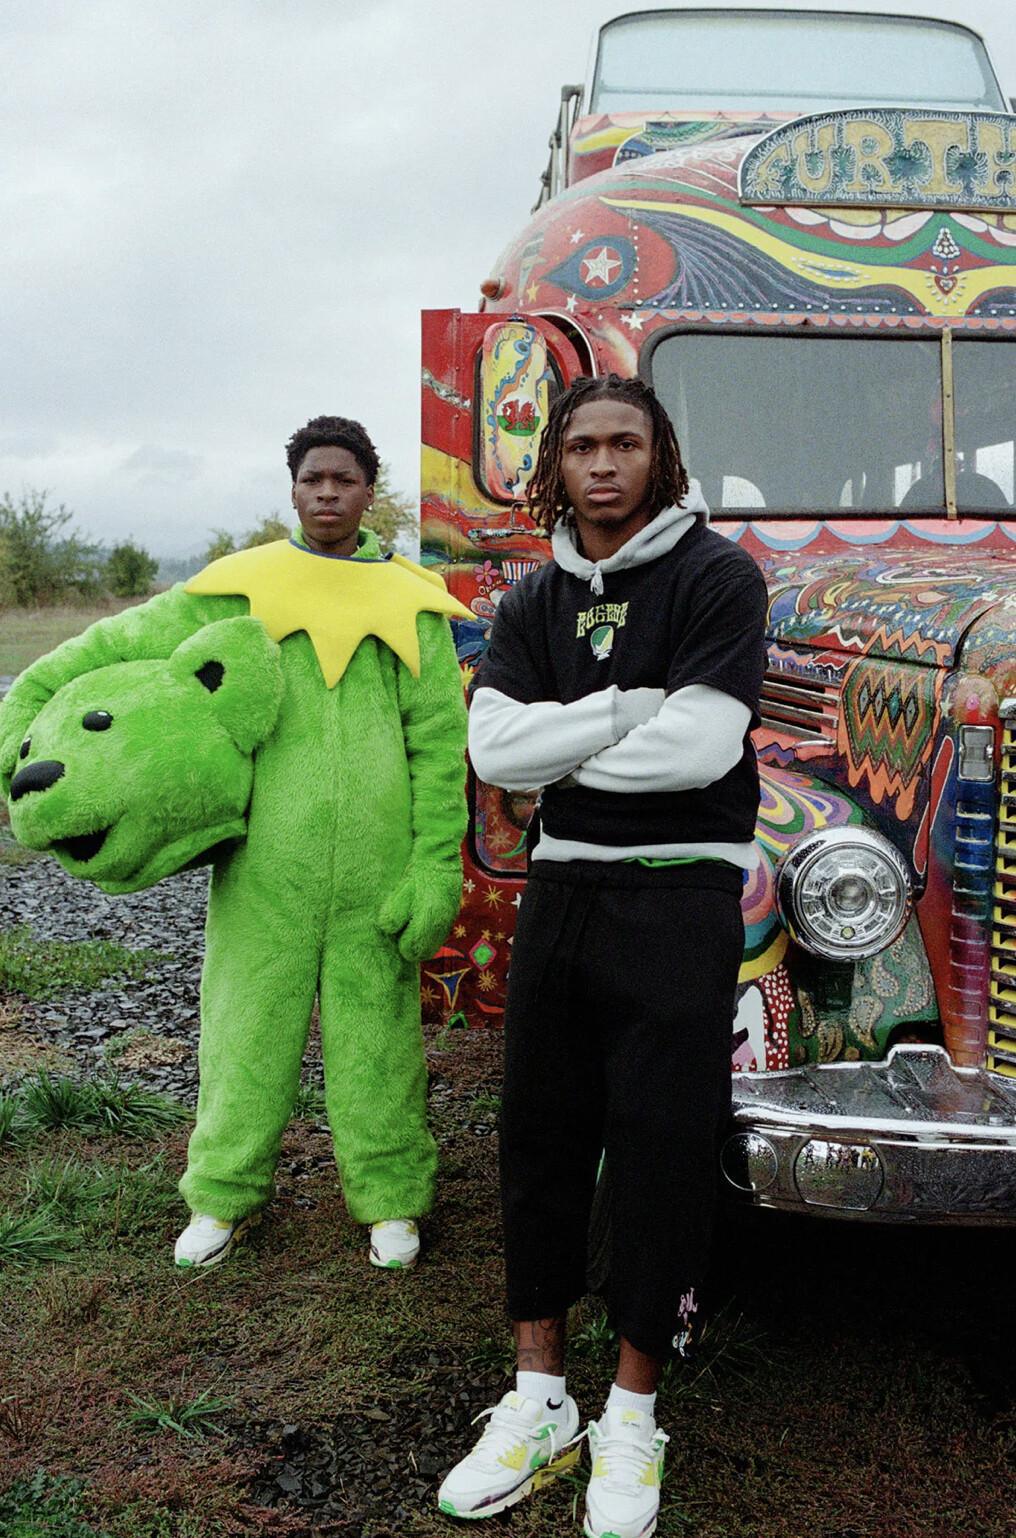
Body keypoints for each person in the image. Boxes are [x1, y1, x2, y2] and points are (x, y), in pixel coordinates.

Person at [0, 416, 469, 1273]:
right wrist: (22, 711)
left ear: (370, 491)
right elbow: (111, 644)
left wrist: (435, 862)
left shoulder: (412, 600)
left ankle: (392, 1197)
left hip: (375, 874)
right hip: (263, 873)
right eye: (312, 479)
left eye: (344, 479)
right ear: (293, 488)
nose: (327, 493)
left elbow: (438, 742)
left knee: (380, 1044)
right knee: (243, 1033)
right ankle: (221, 1193)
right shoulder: (241, 587)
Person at [438, 376, 767, 1537]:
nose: (603, 463)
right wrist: (629, 707)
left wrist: (565, 746)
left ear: (658, 455)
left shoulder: (715, 576)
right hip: (563, 889)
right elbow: (493, 746)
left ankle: (631, 1412)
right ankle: (538, 1397)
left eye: (625, 441)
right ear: (555, 464)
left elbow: (700, 746)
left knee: (661, 1146)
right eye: (581, 445)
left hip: (679, 891)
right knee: (537, 1134)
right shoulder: (533, 596)